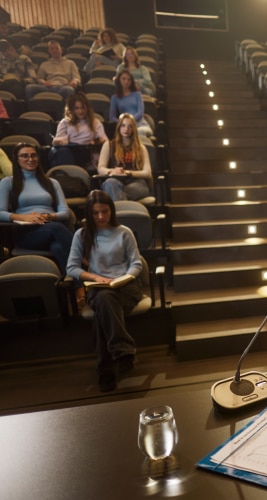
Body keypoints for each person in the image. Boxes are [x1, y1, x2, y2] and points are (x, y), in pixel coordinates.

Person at [66, 190, 142, 392]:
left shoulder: (124, 232)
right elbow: (72, 268)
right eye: (95, 213)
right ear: (89, 214)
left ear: (112, 211)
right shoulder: (81, 235)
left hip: (126, 286)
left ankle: (106, 370)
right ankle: (123, 352)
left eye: (105, 212)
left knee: (103, 306)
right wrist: (96, 278)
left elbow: (136, 264)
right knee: (104, 299)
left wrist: (124, 278)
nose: (100, 217)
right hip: (98, 286)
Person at [0, 143, 73, 274]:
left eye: (33, 155)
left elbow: (65, 212)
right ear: (16, 159)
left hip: (51, 226)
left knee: (57, 247)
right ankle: (86, 262)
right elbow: (0, 213)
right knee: (57, 228)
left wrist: (47, 216)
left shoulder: (52, 182)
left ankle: (74, 287)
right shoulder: (8, 182)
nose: (30, 159)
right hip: (26, 233)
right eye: (24, 156)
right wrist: (24, 217)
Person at [97, 113, 152, 202]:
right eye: (123, 125)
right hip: (115, 180)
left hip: (136, 182)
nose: (126, 129)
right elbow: (100, 168)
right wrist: (112, 171)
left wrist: (128, 173)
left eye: (130, 126)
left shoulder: (141, 148)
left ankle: (117, 209)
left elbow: (147, 172)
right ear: (119, 127)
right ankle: (123, 209)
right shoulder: (108, 145)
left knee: (115, 192)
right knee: (110, 183)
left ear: (134, 129)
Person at [50, 92, 108, 169]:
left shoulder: (95, 122)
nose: (81, 111)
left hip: (86, 151)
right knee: (62, 152)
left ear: (87, 108)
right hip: (70, 151)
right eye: (77, 108)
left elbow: (105, 141)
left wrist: (97, 141)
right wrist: (60, 141)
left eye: (83, 108)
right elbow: (59, 140)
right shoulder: (65, 122)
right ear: (72, 110)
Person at [110, 69, 153, 137]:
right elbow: (112, 117)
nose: (126, 81)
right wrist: (123, 123)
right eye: (123, 79)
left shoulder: (137, 94)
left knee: (138, 133)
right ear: (119, 80)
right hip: (125, 127)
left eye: (128, 79)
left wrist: (130, 121)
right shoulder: (115, 97)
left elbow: (140, 113)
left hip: (141, 124)